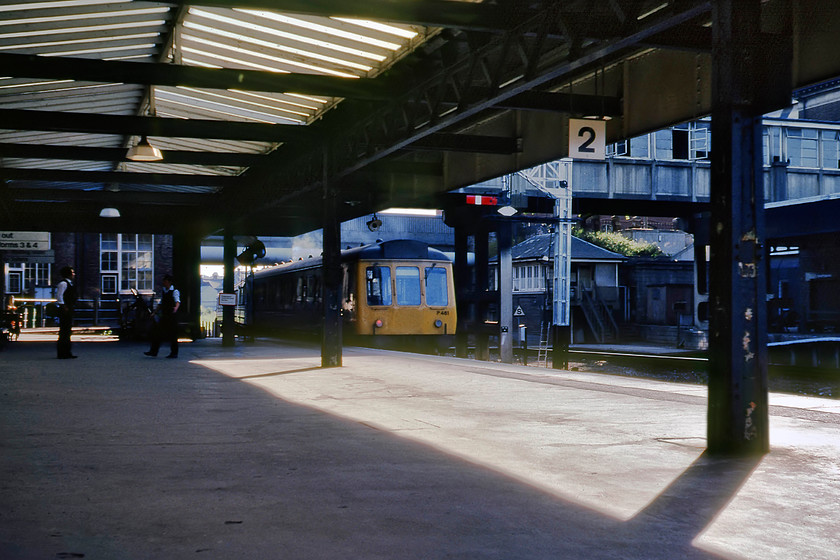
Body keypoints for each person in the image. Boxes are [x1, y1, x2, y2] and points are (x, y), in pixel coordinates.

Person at [144, 274, 180, 358]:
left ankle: (174, 353)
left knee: (173, 335)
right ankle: (153, 351)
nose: (164, 283)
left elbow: (177, 301)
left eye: (165, 281)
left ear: (169, 282)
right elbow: (161, 303)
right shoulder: (164, 290)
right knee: (157, 333)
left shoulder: (174, 291)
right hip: (164, 315)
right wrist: (155, 312)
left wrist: (175, 308)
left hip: (171, 316)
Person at [55, 266, 77, 359]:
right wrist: (63, 306)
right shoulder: (63, 283)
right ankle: (62, 352)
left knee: (67, 330)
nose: (73, 274)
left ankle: (67, 351)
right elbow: (59, 296)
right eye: (72, 272)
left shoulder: (69, 283)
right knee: (64, 330)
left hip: (69, 307)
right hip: (66, 308)